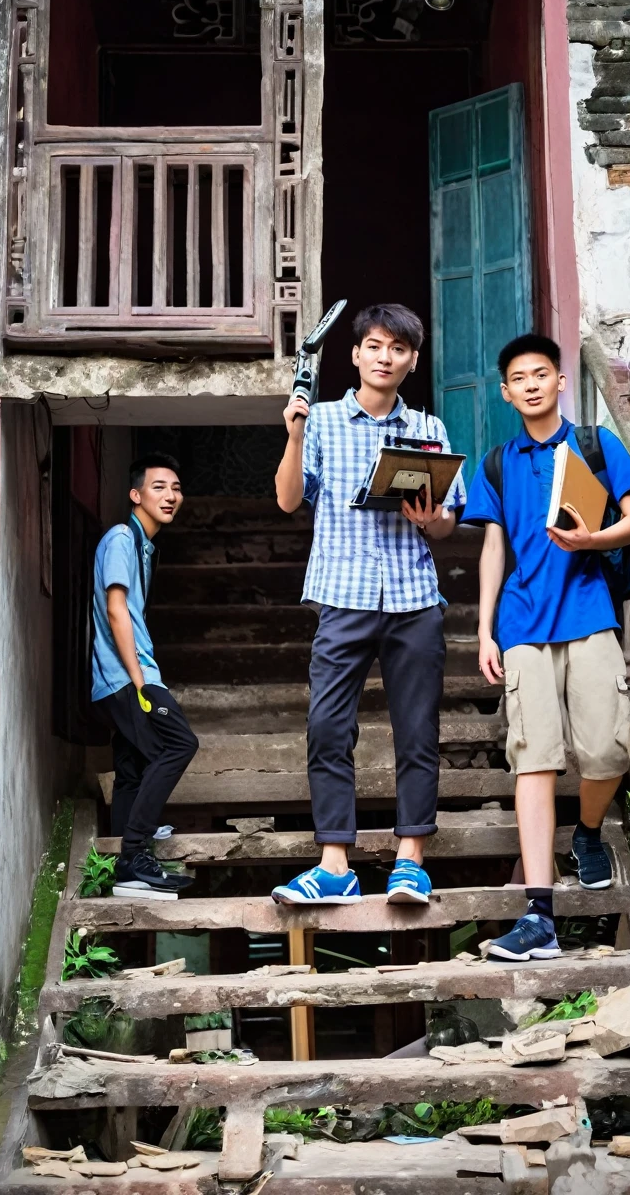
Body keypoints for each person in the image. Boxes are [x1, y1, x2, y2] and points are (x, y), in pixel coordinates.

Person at [270, 303, 466, 906]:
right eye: (375, 346)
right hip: (343, 594)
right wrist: (295, 433)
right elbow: (287, 501)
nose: (386, 357)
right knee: (328, 726)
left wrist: (433, 518)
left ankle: (411, 861)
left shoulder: (429, 430)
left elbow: (446, 524)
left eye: (399, 349)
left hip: (412, 595)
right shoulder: (323, 420)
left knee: (417, 731)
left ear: (411, 361)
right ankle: (335, 864)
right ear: (354, 355)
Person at [463, 334, 630, 961]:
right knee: (534, 760)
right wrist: (485, 629)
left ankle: (588, 833)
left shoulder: (595, 444)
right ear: (506, 391)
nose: (533, 384)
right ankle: (538, 914)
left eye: (543, 373)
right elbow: (493, 546)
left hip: (591, 614)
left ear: (560, 381)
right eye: (520, 377)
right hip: (521, 624)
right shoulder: (495, 462)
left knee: (606, 750)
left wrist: (592, 542)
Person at [92, 453, 199, 897]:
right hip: (125, 675)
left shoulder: (143, 545)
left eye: (175, 488)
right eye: (158, 487)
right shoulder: (121, 537)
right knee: (178, 745)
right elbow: (117, 609)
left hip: (120, 675)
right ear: (136, 495)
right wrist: (141, 683)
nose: (170, 495)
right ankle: (135, 852)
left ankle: (126, 857)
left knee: (133, 767)